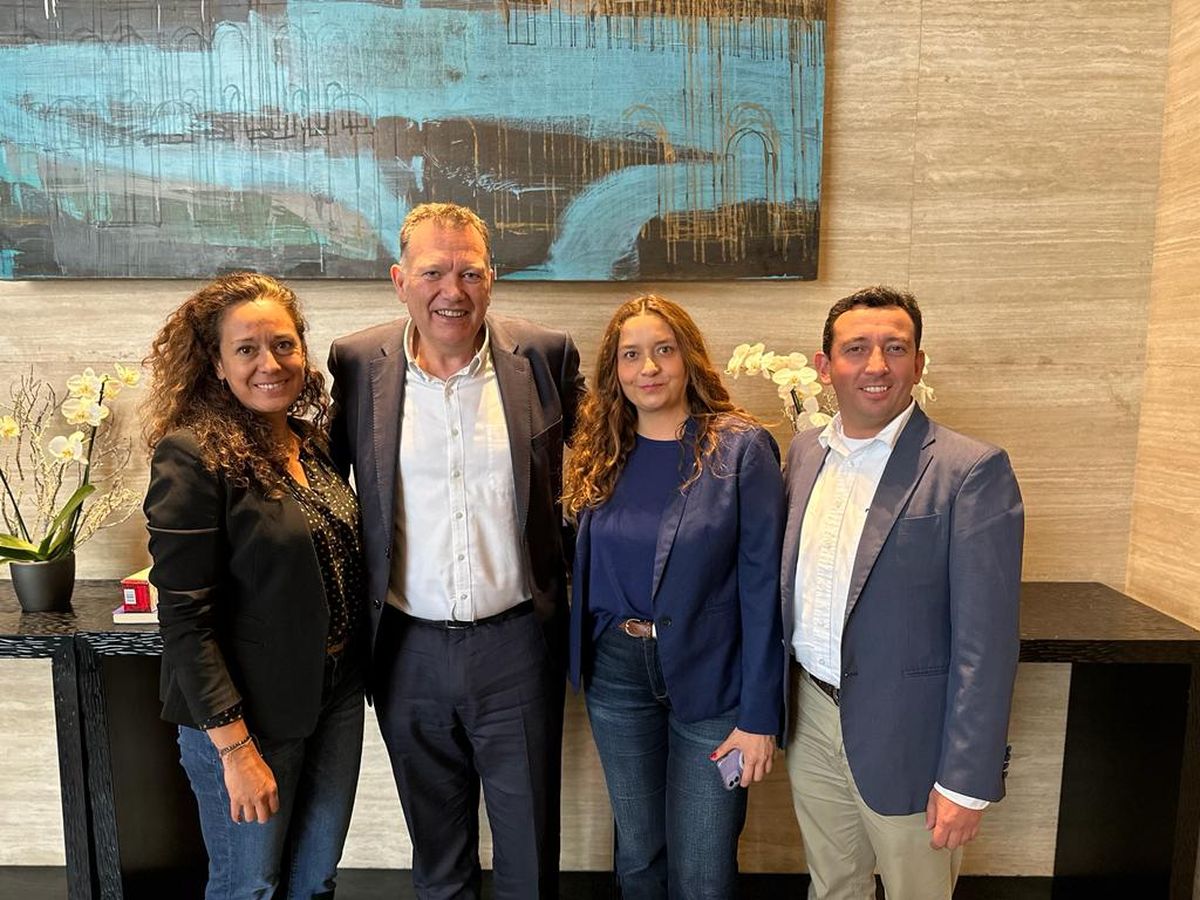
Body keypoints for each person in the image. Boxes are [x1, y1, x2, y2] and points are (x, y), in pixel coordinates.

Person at [327, 202, 584, 899]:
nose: (453, 290)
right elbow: (325, 495)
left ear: (492, 279)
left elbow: (584, 491)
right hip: (405, 649)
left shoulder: (545, 356)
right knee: (438, 854)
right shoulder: (355, 365)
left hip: (517, 648)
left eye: (470, 271)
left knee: (529, 853)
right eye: (434, 271)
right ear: (399, 279)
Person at [781, 286, 1024, 899]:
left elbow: (987, 645)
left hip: (911, 737)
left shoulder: (970, 470)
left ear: (919, 363)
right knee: (833, 885)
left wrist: (967, 780)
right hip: (810, 715)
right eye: (856, 348)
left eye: (896, 348)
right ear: (824, 365)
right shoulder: (805, 452)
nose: (876, 365)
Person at [142, 272, 368, 899]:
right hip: (247, 718)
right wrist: (235, 751)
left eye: (284, 345)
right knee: (250, 886)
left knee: (314, 880)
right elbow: (185, 618)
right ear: (215, 363)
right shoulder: (190, 456)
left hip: (335, 695)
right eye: (246, 349)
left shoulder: (311, 444)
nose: (270, 363)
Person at [563, 294, 785, 899]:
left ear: (688, 358)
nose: (649, 368)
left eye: (664, 350)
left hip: (714, 676)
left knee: (704, 866)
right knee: (638, 853)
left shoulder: (740, 449)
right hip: (617, 672)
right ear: (615, 371)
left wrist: (761, 717)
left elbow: (765, 590)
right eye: (631, 355)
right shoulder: (600, 451)